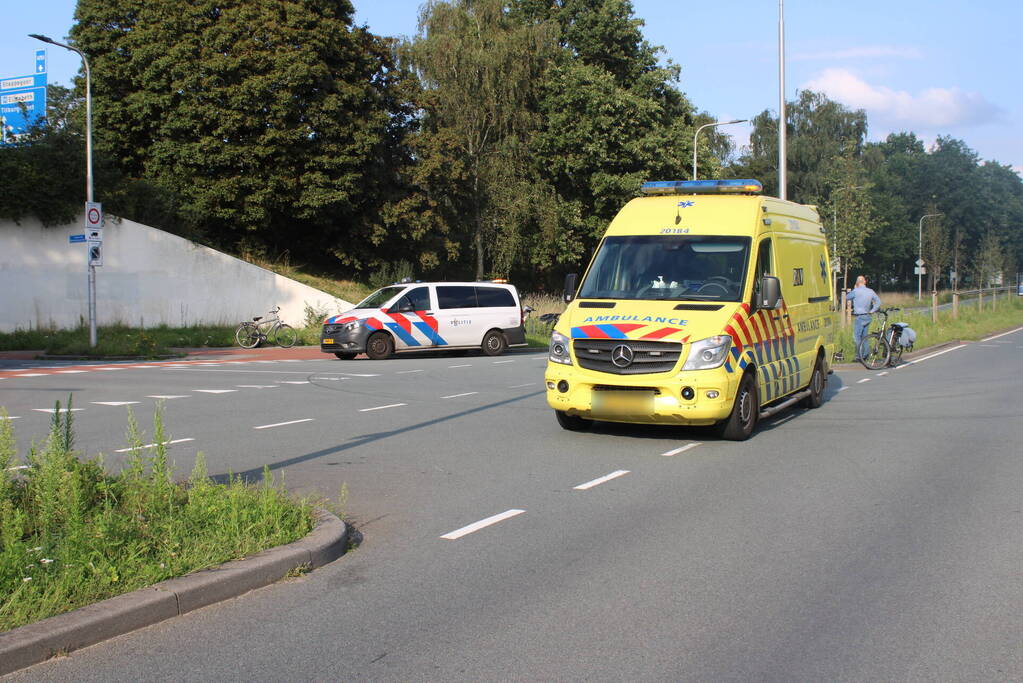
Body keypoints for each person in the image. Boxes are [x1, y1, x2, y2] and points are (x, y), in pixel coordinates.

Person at [846, 275, 881, 358]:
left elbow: (847, 297)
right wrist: (872, 311)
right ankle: (866, 354)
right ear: (865, 282)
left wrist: (855, 288)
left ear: (857, 283)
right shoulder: (871, 291)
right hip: (868, 316)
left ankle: (859, 355)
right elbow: (878, 302)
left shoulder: (856, 291)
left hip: (859, 316)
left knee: (856, 336)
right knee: (864, 336)